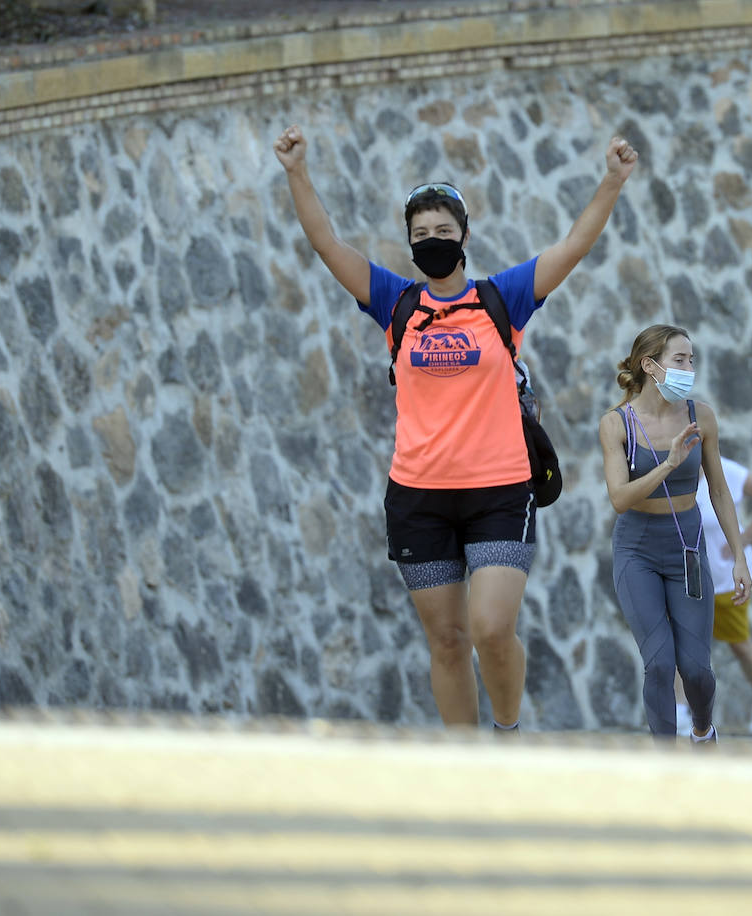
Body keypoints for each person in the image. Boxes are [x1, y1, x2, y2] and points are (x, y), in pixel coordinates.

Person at [273, 124, 637, 731]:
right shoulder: (396, 304)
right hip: (418, 496)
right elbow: (325, 243)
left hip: (499, 489)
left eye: (445, 231)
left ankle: (508, 730)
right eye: (422, 235)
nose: (434, 241)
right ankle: (463, 767)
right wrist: (297, 172)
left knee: (492, 629)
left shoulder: (503, 299)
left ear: (464, 236)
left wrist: (612, 179)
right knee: (447, 641)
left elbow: (573, 245)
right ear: (410, 244)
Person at [600, 326, 752, 743]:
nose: (689, 368)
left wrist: (738, 556)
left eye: (691, 360)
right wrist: (667, 464)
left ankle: (703, 731)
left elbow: (718, 489)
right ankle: (665, 760)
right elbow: (619, 498)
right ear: (650, 366)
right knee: (661, 663)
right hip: (637, 548)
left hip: (686, 542)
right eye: (679, 360)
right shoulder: (617, 424)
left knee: (698, 670)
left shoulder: (700, 415)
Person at [674, 456, 752, 737]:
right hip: (690, 575)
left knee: (739, 643)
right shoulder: (670, 471)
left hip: (726, 578)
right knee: (682, 643)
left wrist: (745, 538)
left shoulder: (726, 471)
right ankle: (679, 712)